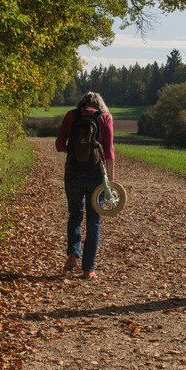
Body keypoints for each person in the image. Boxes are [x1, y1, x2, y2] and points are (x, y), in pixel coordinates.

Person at [54, 91, 115, 279]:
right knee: (94, 222)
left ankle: (72, 255)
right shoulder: (105, 118)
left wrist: (75, 152)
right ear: (100, 104)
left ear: (81, 103)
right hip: (97, 175)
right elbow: (110, 152)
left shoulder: (71, 116)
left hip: (72, 172)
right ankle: (88, 270)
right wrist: (110, 183)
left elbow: (59, 145)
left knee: (75, 215)